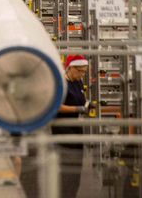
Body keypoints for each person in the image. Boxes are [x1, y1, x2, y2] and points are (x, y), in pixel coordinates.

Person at [52, 54, 93, 198]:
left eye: (84, 72)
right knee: (66, 167)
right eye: (80, 71)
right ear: (71, 68)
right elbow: (55, 106)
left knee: (76, 167)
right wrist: (78, 109)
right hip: (62, 128)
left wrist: (87, 105)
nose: (82, 74)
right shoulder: (61, 83)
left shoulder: (78, 82)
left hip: (76, 127)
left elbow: (81, 99)